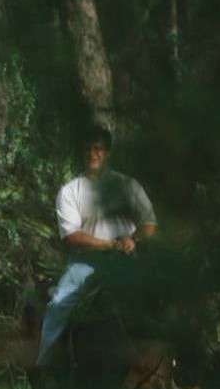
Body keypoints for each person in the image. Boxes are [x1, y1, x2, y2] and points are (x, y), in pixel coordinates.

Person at [35, 125, 158, 369]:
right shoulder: (70, 191)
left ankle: (170, 369)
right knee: (59, 303)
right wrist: (110, 244)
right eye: (88, 149)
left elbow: (149, 224)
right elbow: (71, 236)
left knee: (160, 298)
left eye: (98, 149)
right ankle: (44, 367)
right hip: (84, 264)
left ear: (107, 153)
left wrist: (133, 239)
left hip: (127, 260)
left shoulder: (128, 186)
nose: (93, 154)